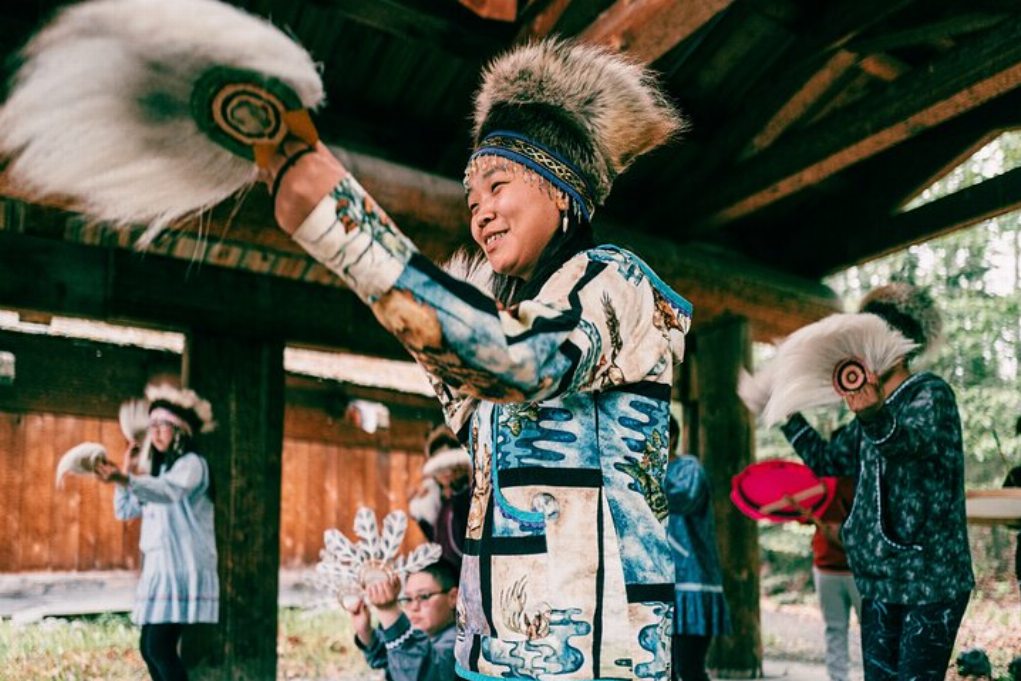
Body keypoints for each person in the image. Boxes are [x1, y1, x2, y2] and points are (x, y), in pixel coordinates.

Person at [269, 38, 690, 681]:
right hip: (492, 650)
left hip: (596, 656)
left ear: (561, 189)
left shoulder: (615, 282)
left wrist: (345, 226)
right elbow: (470, 369)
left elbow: (522, 362)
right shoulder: (505, 320)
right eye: (472, 202)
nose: (481, 213)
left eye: (497, 186)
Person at [779, 284, 974, 681]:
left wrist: (873, 415)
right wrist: (784, 412)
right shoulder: (867, 415)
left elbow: (908, 446)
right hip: (880, 580)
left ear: (895, 343)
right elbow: (828, 460)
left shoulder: (931, 394)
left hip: (930, 581)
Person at [95, 383, 218, 681]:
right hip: (161, 569)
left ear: (181, 430)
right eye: (152, 426)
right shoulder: (158, 474)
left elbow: (168, 491)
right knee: (149, 648)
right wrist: (124, 474)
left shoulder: (192, 465)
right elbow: (125, 510)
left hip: (182, 567)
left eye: (163, 425)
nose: (156, 432)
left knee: (159, 648)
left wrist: (126, 479)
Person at [663, 416, 730, 681]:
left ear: (671, 438)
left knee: (689, 669)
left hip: (693, 583)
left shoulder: (689, 469)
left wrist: (644, 475)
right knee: (662, 671)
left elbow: (682, 498)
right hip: (661, 585)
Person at [352, 559, 459, 681]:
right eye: (408, 599)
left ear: (453, 597)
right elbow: (392, 660)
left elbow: (415, 671)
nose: (414, 607)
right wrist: (365, 632)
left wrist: (389, 610)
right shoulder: (429, 638)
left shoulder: (461, 646)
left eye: (424, 596)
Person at [798, 476, 861, 681]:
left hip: (858, 569)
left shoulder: (861, 477)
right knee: (835, 627)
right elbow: (802, 516)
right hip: (827, 567)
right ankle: (838, 677)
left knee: (871, 628)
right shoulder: (819, 482)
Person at [409, 424, 470, 572]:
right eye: (439, 466)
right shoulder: (440, 504)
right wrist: (421, 516)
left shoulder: (469, 497)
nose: (446, 471)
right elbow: (438, 544)